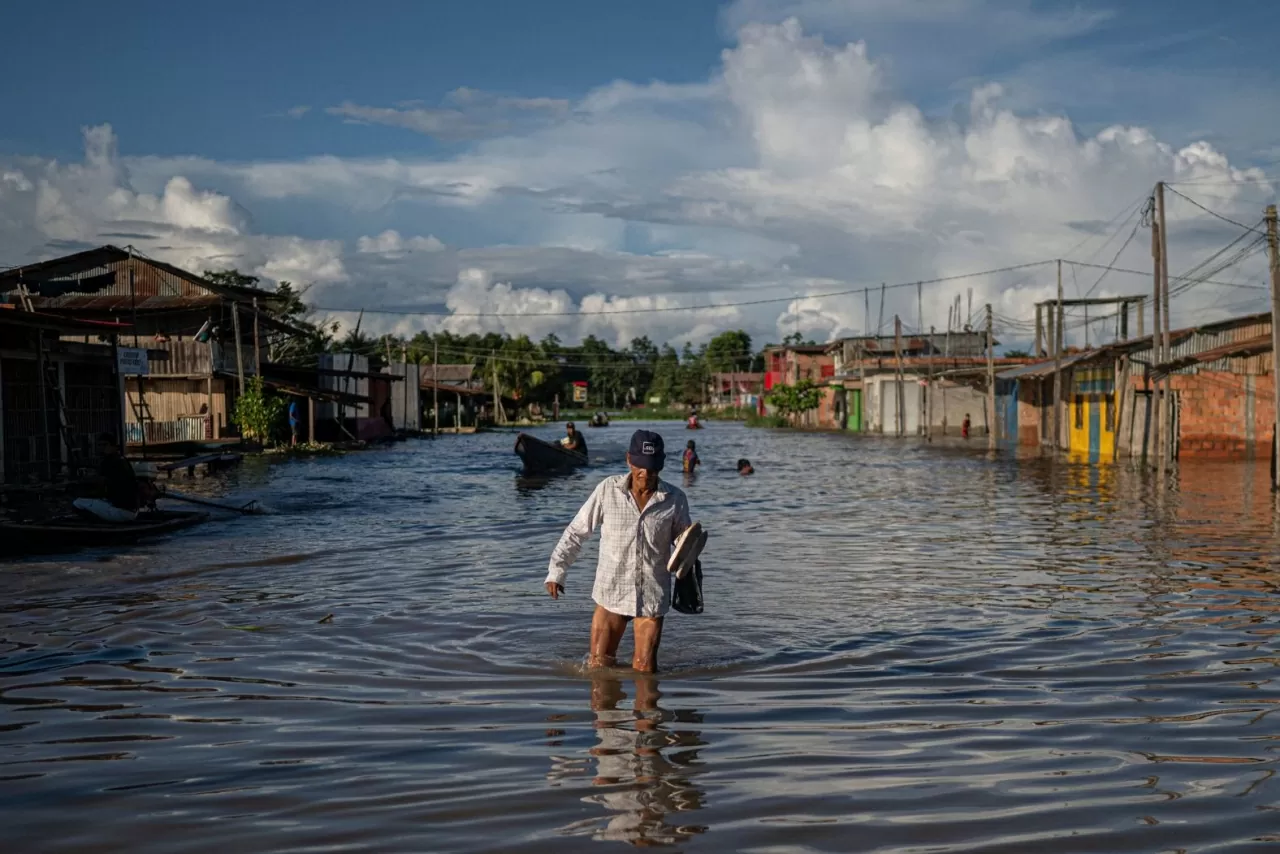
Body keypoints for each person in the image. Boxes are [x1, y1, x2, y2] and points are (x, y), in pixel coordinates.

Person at [545, 430, 692, 673]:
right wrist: (557, 571)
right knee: (599, 669)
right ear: (629, 460)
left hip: (652, 596)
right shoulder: (608, 490)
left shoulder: (675, 499)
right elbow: (576, 532)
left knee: (645, 672)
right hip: (611, 592)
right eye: (641, 466)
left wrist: (689, 549)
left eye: (653, 467)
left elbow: (683, 544)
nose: (646, 473)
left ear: (661, 465)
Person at [73, 433, 141, 523]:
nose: (102, 448)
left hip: (121, 511)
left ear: (113, 446)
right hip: (132, 510)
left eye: (105, 445)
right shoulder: (122, 459)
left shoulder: (110, 461)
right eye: (99, 445)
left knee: (77, 503)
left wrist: (85, 490)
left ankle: (97, 524)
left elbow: (101, 484)